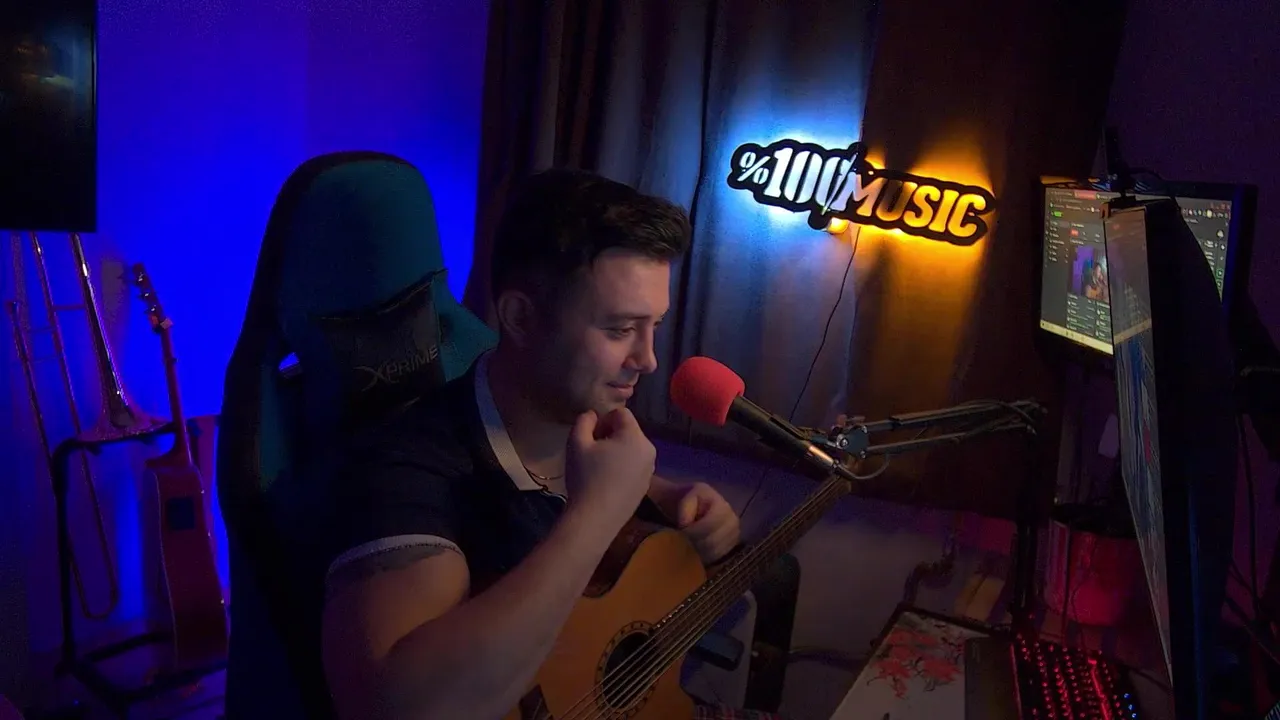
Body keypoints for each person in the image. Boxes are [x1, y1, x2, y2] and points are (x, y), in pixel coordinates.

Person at [319, 169, 781, 720]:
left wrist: (670, 499)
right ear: (521, 317)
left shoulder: (583, 428)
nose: (648, 360)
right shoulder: (407, 469)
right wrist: (596, 516)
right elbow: (405, 708)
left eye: (654, 325)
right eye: (619, 330)